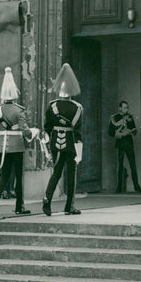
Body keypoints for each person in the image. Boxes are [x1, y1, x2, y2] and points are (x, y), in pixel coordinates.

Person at [0, 67, 39, 216]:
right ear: (14, 94)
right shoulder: (19, 110)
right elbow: (25, 131)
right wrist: (34, 132)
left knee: (4, 176)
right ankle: (19, 206)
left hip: (3, 147)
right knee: (19, 176)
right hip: (17, 147)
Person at [42, 63, 83, 216]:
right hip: (71, 143)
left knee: (56, 172)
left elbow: (46, 127)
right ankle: (69, 206)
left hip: (55, 143)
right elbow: (78, 131)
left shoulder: (52, 106)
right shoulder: (77, 107)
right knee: (71, 174)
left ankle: (47, 198)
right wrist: (80, 151)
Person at [108, 101, 141, 193]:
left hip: (129, 143)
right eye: (125, 107)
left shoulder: (130, 117)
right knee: (120, 166)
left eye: (127, 107)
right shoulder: (114, 118)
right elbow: (110, 132)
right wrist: (118, 134)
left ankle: (136, 186)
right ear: (120, 108)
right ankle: (119, 187)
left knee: (133, 165)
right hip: (120, 143)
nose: (126, 109)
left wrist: (131, 131)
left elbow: (134, 130)